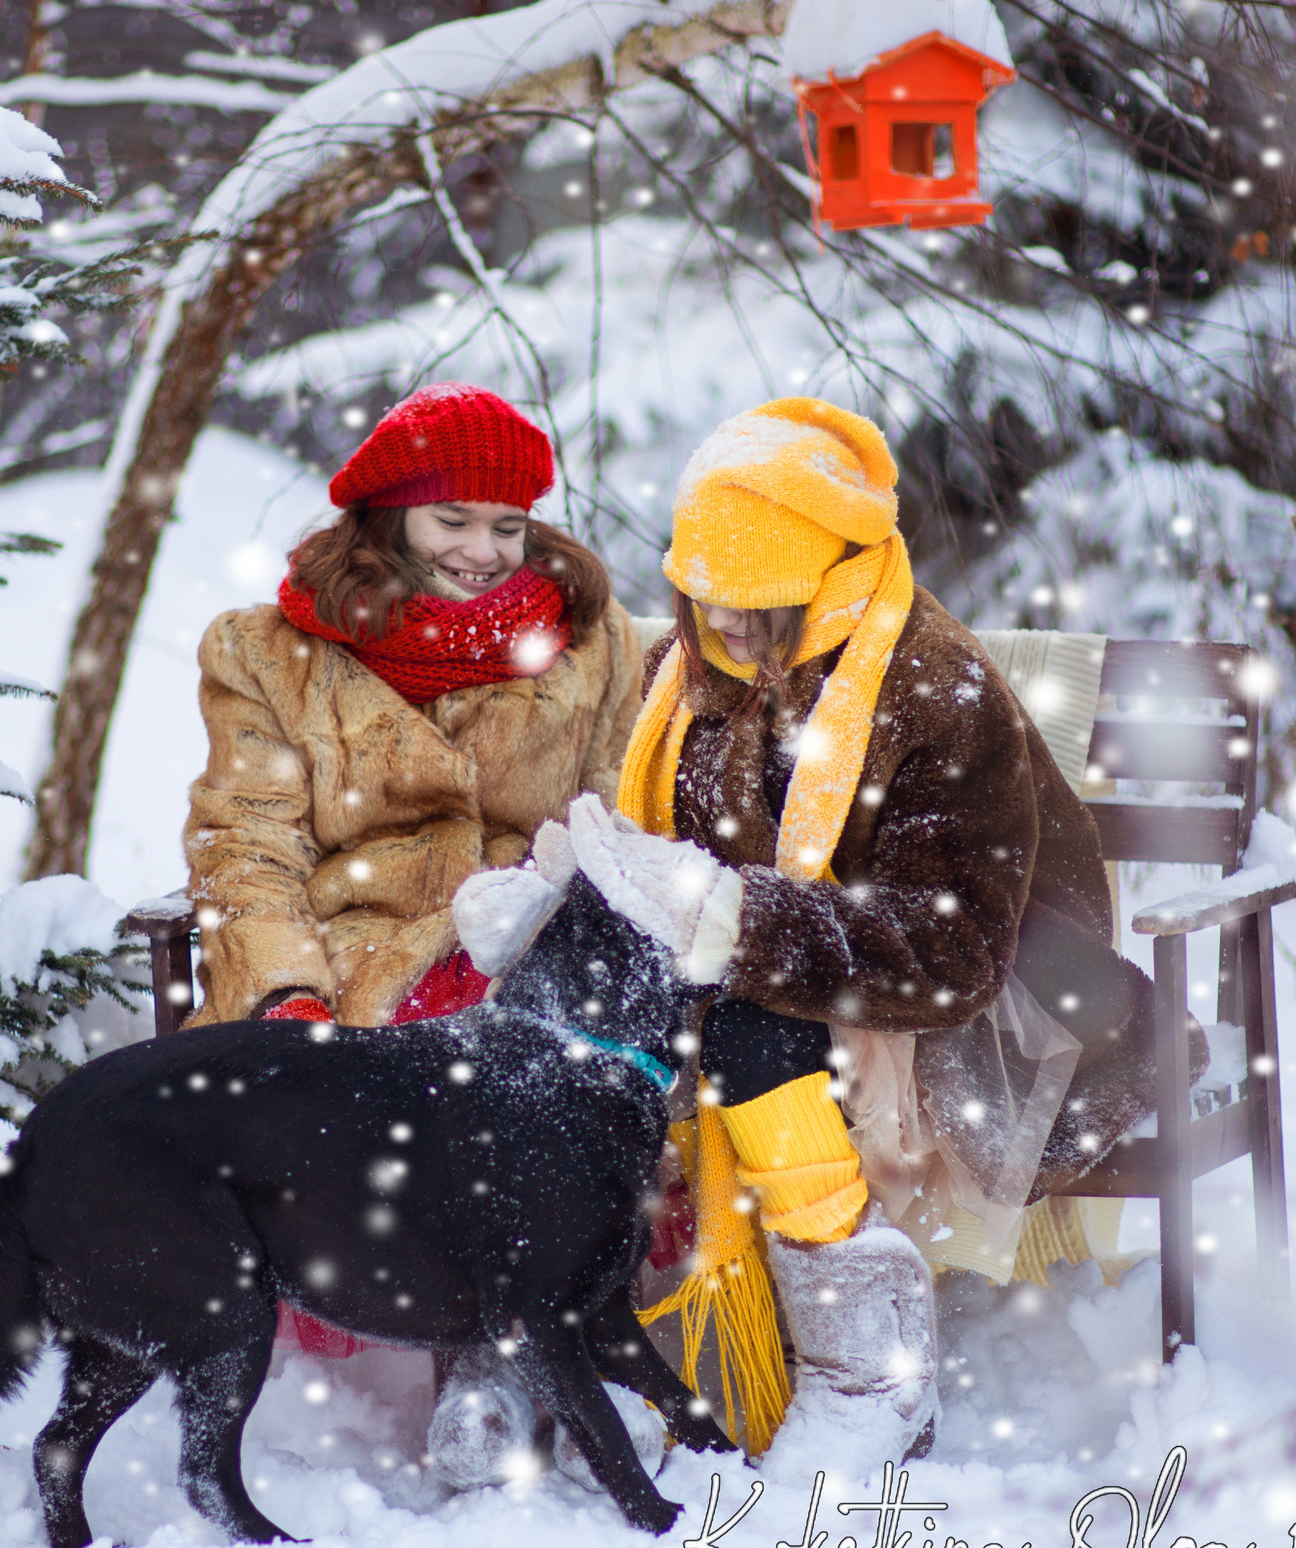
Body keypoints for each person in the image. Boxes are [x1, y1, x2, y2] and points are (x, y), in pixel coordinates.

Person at [615, 396, 1180, 1479]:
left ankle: (865, 1368)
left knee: (747, 1027)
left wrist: (741, 919)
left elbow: (955, 946)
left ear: (825, 584)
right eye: (706, 599)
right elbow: (667, 857)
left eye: (760, 605)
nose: (728, 628)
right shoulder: (681, 683)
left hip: (979, 996)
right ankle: (605, 1347)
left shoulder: (930, 684)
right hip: (781, 958)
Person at [181, 382, 643, 1476]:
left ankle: (497, 1351)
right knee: (413, 1043)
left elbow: (623, 816)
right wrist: (284, 990)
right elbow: (247, 845)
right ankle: (463, 1336)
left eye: (507, 523)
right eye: (453, 520)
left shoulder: (588, 641)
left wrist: (546, 903)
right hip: (353, 945)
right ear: (388, 514)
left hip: (533, 926)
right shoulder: (265, 651)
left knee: (527, 1046)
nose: (484, 551)